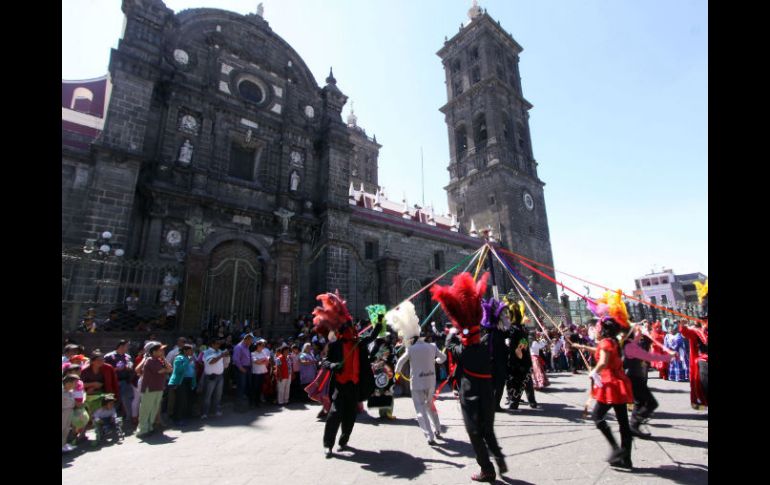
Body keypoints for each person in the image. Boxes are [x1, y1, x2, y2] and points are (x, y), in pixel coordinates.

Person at [433, 272, 507, 482]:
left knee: (474, 432)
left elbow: (449, 343)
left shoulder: (463, 350)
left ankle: (487, 469)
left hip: (470, 395)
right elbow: (481, 333)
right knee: (489, 430)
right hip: (488, 393)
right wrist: (466, 328)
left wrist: (455, 330)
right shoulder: (485, 345)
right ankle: (499, 458)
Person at [315, 290, 380, 458]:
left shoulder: (358, 344)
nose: (353, 330)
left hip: (354, 386)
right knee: (335, 414)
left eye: (353, 328)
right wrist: (334, 365)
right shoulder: (336, 345)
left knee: (350, 417)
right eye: (350, 328)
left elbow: (372, 336)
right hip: (340, 386)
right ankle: (328, 445)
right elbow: (325, 361)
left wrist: (379, 322)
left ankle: (343, 441)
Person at [584, 291, 636, 470]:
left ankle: (616, 449)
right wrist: (581, 346)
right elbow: (602, 352)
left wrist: (593, 372)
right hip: (620, 383)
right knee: (623, 423)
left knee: (597, 416)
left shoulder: (605, 342)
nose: (596, 329)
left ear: (603, 328)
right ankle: (626, 458)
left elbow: (603, 360)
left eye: (597, 327)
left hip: (610, 385)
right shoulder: (613, 341)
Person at [392, 302, 447, 445]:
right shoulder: (432, 346)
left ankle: (430, 436)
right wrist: (435, 361)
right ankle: (438, 429)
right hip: (431, 381)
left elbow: (400, 363)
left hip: (416, 382)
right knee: (430, 405)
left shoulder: (411, 350)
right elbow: (443, 358)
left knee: (420, 409)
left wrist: (397, 374)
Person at [622, 325, 676, 437]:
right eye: (636, 331)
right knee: (652, 403)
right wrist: (668, 357)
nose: (639, 332)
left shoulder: (629, 344)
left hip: (634, 377)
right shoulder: (629, 345)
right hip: (633, 378)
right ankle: (634, 424)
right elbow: (649, 356)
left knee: (639, 402)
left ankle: (633, 426)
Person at [502, 299, 537, 410]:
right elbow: (523, 343)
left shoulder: (513, 330)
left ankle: (514, 403)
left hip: (516, 360)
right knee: (526, 380)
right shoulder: (523, 329)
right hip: (525, 359)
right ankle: (532, 402)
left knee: (515, 381)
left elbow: (514, 346)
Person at [137, 343, 173, 437]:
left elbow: (170, 369)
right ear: (154, 352)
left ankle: (149, 427)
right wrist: (165, 369)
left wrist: (164, 359)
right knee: (146, 409)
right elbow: (160, 371)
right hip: (150, 388)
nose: (162, 351)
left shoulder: (160, 360)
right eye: (160, 350)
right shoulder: (150, 360)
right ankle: (142, 430)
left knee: (153, 409)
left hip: (158, 387)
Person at [81, 351, 119, 417]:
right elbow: (79, 384)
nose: (102, 361)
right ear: (92, 361)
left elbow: (113, 383)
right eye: (99, 360)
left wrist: (114, 395)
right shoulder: (85, 371)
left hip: (105, 392)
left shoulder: (108, 368)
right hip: (88, 394)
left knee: (109, 402)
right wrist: (92, 384)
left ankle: (109, 420)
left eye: (103, 359)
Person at [104, 340, 134, 424]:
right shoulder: (109, 356)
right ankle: (109, 419)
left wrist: (130, 367)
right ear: (121, 346)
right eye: (127, 346)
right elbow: (105, 370)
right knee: (111, 400)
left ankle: (128, 417)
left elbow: (130, 365)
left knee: (126, 400)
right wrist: (116, 369)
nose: (128, 348)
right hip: (113, 382)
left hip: (125, 381)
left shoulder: (127, 356)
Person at [680, 318, 708, 409]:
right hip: (704, 360)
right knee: (705, 383)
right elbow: (686, 333)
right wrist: (683, 325)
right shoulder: (697, 331)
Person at [168, 344, 197, 426]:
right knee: (180, 400)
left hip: (189, 381)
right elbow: (179, 370)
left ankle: (185, 415)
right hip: (181, 381)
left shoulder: (190, 358)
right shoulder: (179, 358)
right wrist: (188, 361)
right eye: (190, 350)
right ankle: (176, 418)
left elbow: (193, 369)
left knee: (187, 399)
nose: (192, 352)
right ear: (185, 351)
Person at [201, 339, 228, 419]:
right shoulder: (207, 352)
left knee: (218, 395)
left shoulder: (219, 351)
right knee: (207, 396)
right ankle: (205, 413)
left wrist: (226, 356)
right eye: (217, 343)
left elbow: (223, 362)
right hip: (211, 377)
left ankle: (216, 411)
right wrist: (221, 356)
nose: (219, 345)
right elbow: (211, 362)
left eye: (219, 343)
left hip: (220, 376)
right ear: (212, 344)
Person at [232, 333, 254, 410]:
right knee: (241, 387)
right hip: (241, 369)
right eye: (250, 341)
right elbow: (235, 359)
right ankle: (238, 407)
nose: (251, 342)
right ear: (246, 339)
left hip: (247, 368)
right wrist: (241, 368)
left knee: (246, 387)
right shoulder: (239, 347)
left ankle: (244, 406)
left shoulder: (247, 347)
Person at [251, 339, 270, 406]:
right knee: (255, 387)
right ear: (257, 346)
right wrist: (263, 360)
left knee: (260, 388)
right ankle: (253, 402)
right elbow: (257, 362)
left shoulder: (263, 353)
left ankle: (258, 401)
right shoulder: (253, 353)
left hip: (262, 372)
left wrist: (261, 361)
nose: (262, 347)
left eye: (263, 346)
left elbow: (267, 361)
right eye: (261, 346)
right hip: (256, 373)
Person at [62, 374, 79, 452]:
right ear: (68, 383)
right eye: (74, 383)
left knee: (66, 429)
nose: (76, 385)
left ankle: (63, 444)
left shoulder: (70, 392)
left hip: (69, 411)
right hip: (63, 411)